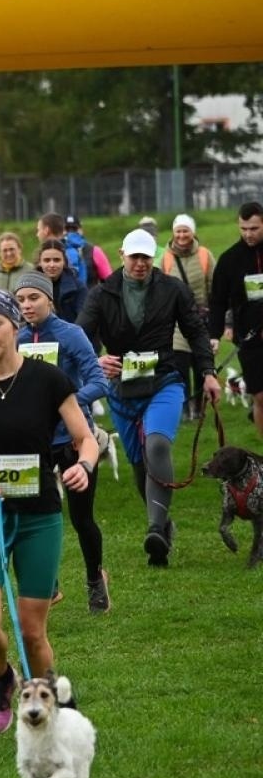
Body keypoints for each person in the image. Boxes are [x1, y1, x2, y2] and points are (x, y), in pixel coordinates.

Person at [0, 289, 98, 734]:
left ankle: (53, 701)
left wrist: (84, 466)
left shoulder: (48, 380)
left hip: (38, 519)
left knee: (32, 631)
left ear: (14, 328)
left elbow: (84, 438)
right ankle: (2, 678)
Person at [77, 228, 221, 567]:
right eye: (134, 256)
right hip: (122, 390)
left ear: (152, 258)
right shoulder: (101, 294)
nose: (140, 263)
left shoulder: (173, 290)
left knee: (157, 444)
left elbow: (196, 331)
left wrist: (208, 372)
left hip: (164, 381)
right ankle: (163, 523)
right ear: (121, 254)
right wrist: (95, 360)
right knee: (140, 464)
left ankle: (155, 530)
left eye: (146, 257)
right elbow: (80, 335)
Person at [14, 274, 113, 614]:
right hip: (36, 442)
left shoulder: (71, 335)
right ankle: (48, 586)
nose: (27, 305)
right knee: (37, 515)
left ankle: (94, 579)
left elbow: (100, 383)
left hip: (74, 438)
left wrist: (64, 406)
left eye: (33, 298)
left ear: (49, 300)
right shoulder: (17, 338)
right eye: (21, 299)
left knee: (81, 517)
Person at [210, 201, 263, 437]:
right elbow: (218, 300)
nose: (248, 234)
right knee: (260, 395)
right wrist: (214, 334)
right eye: (243, 229)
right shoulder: (229, 259)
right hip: (249, 339)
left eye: (254, 228)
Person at [161, 213, 218, 421]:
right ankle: (184, 408)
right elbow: (159, 287)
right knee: (180, 365)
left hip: (200, 317)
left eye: (185, 230)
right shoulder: (166, 258)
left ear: (192, 232)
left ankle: (200, 407)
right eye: (178, 231)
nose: (182, 235)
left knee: (200, 364)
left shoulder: (204, 255)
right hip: (175, 321)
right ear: (173, 233)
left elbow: (214, 286)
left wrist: (215, 316)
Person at [34, 238, 86, 323]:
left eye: (56, 260)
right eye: (47, 260)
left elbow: (83, 321)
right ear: (40, 262)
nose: (52, 265)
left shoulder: (78, 288)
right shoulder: (30, 288)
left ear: (64, 262)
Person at [62, 215, 113, 289]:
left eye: (74, 229)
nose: (71, 232)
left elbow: (109, 280)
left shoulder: (94, 251)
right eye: (67, 229)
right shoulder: (57, 250)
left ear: (81, 230)